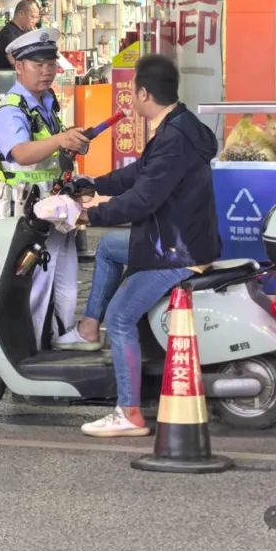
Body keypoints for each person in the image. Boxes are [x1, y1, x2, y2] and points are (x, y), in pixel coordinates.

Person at [70, 54, 221, 437]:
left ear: (143, 94)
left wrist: (87, 216)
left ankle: (129, 412)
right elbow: (140, 173)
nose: (130, 98)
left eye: (133, 91)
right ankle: (88, 328)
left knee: (121, 317)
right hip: (174, 237)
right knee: (109, 248)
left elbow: (142, 200)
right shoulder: (178, 124)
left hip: (176, 249)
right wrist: (93, 184)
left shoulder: (173, 138)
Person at [0, 28, 94, 350]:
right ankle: (29, 348)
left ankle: (61, 336)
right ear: (19, 66)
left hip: (54, 212)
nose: (47, 70)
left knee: (64, 279)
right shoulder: (11, 110)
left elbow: (50, 155)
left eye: (51, 63)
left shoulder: (46, 104)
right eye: (38, 64)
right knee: (36, 283)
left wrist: (71, 145)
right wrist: (60, 140)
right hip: (27, 216)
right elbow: (21, 153)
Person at [0, 0, 41, 71]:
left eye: (36, 18)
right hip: (10, 77)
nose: (35, 21)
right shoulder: (8, 33)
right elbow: (17, 65)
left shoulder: (26, 31)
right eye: (32, 17)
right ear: (21, 13)